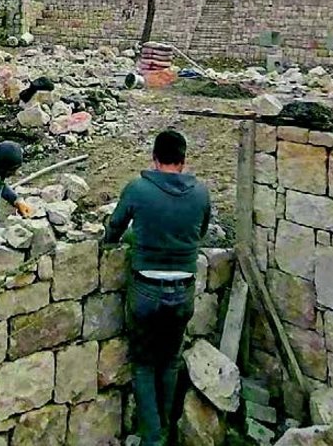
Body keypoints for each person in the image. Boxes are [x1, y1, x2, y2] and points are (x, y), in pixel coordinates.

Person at [103, 130, 211, 446]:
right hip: (183, 291)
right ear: (183, 160)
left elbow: (115, 227)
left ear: (154, 157)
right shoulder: (201, 192)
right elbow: (200, 232)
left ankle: (152, 437)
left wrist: (114, 241)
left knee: (144, 363)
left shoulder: (138, 188)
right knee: (170, 359)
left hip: (146, 292)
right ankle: (166, 425)